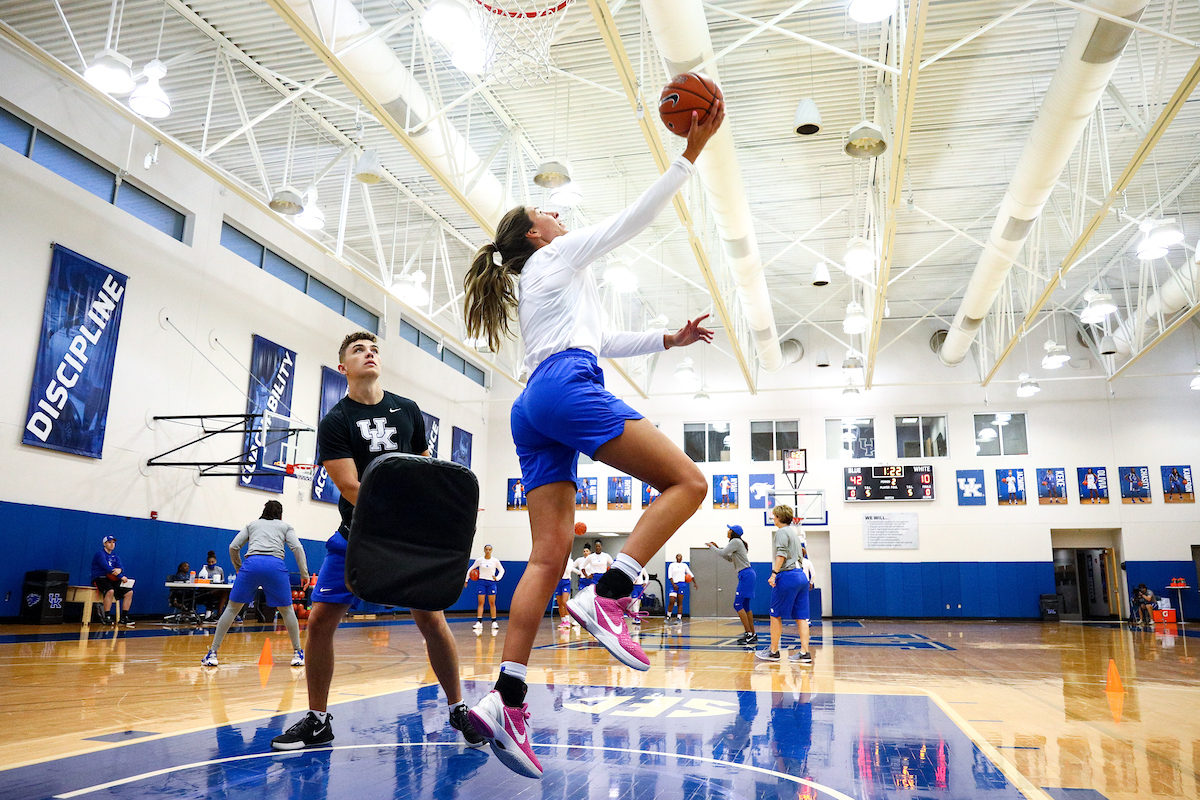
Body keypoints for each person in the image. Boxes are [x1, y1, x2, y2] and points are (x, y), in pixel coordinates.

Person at [461, 102, 723, 779]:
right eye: (544, 213)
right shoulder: (556, 258)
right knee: (689, 484)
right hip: (565, 388)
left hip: (532, 405)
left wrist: (668, 338)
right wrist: (688, 155)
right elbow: (632, 220)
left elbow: (603, 340)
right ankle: (611, 592)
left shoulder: (545, 282)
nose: (557, 215)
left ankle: (507, 696)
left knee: (546, 557)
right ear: (536, 234)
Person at [270, 331, 482, 752]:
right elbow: (349, 486)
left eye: (374, 350)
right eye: (357, 350)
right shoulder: (335, 422)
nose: (369, 354)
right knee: (321, 620)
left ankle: (458, 708)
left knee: (431, 620)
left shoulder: (408, 410)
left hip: (409, 542)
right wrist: (397, 513)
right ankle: (317, 719)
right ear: (342, 366)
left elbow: (425, 467)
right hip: (358, 537)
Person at [201, 500, 308, 669]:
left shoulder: (252, 525)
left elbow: (233, 547)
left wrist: (239, 568)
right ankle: (297, 653)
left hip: (251, 565)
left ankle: (212, 653)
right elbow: (297, 548)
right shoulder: (285, 526)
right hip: (275, 566)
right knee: (287, 611)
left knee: (231, 609)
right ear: (280, 514)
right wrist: (304, 574)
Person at [757, 504, 812, 665]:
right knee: (802, 617)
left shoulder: (781, 532)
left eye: (774, 515)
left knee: (775, 614)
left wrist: (774, 573)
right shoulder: (794, 534)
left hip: (787, 576)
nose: (772, 518)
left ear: (779, 517)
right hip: (801, 576)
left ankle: (773, 651)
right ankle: (804, 653)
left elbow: (781, 554)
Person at [708, 525, 755, 645]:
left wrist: (712, 547)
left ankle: (749, 633)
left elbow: (722, 552)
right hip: (748, 574)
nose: (727, 531)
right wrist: (717, 548)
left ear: (733, 532)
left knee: (738, 604)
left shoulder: (736, 541)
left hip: (746, 574)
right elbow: (729, 558)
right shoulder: (737, 543)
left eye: (729, 529)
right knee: (745, 606)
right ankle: (752, 634)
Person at [90, 535, 134, 626]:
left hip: (112, 578)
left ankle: (124, 617)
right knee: (110, 591)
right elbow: (107, 567)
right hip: (100, 578)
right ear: (105, 544)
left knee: (129, 592)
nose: (112, 544)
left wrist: (120, 570)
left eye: (113, 542)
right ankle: (106, 616)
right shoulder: (100, 554)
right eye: (109, 542)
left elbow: (120, 567)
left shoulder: (115, 556)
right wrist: (120, 576)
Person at [467, 545, 505, 633]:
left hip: (491, 583)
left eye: (489, 550)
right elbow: (471, 569)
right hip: (481, 582)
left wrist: (497, 578)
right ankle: (479, 622)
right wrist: (466, 580)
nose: (488, 551)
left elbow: (502, 570)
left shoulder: (495, 561)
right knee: (481, 602)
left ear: (491, 551)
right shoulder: (479, 560)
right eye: (486, 549)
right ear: (484, 550)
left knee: (492, 602)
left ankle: (494, 622)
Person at [196, 550, 227, 620]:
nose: (211, 563)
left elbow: (222, 580)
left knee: (225, 592)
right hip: (205, 590)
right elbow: (200, 580)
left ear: (215, 562)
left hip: (216, 588)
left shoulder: (219, 569)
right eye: (209, 562)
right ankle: (211, 614)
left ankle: (219, 614)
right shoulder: (204, 569)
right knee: (214, 594)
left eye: (212, 562)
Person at [666, 553, 695, 623]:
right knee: (672, 601)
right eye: (678, 556)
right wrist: (674, 585)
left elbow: (690, 574)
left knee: (680, 602)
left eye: (680, 556)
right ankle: (668, 616)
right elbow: (670, 576)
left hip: (681, 584)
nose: (679, 557)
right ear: (676, 557)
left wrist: (695, 583)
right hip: (673, 584)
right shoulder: (672, 565)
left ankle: (679, 618)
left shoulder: (684, 565)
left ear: (682, 558)